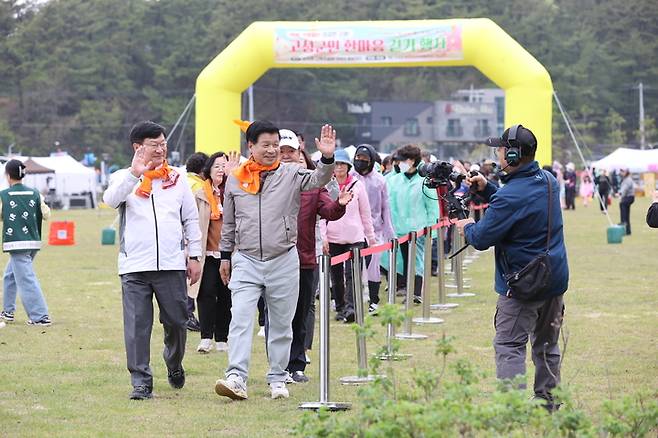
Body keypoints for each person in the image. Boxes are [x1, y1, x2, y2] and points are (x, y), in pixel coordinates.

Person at [214, 120, 336, 401]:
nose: (271, 150)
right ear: (251, 147)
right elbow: (229, 222)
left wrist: (327, 157)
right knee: (241, 318)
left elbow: (320, 178)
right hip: (245, 259)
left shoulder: (292, 173)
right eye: (265, 145)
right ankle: (236, 377)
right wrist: (225, 256)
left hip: (283, 259)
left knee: (281, 323)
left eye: (275, 145)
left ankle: (278, 377)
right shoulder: (236, 178)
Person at [456, 125, 569, 411]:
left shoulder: (510, 196)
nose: (498, 154)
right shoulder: (548, 181)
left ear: (514, 154)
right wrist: (489, 187)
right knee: (547, 346)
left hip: (522, 285)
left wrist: (468, 226)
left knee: (509, 346)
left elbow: (481, 238)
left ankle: (512, 408)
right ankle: (548, 402)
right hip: (553, 279)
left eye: (502, 149)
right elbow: (518, 201)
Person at [103, 121, 202, 400]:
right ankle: (141, 381)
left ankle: (173, 362)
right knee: (137, 326)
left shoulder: (177, 177)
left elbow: (190, 219)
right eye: (154, 144)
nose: (161, 149)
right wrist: (135, 175)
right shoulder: (124, 177)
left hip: (171, 264)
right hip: (135, 266)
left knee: (177, 321)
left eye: (163, 143)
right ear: (138, 148)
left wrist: (194, 256)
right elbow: (110, 200)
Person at [278, 132, 349, 382]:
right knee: (274, 315)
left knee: (300, 313)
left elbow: (329, 211)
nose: (287, 156)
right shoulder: (266, 182)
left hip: (304, 258)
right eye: (281, 151)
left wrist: (340, 203)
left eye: (291, 152)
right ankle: (277, 364)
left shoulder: (312, 186)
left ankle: (296, 364)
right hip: (273, 260)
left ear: (300, 154)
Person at [191, 151, 240, 354]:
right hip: (207, 254)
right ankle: (205, 337)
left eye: (224, 165)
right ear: (209, 170)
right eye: (217, 166)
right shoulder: (200, 194)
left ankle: (222, 338)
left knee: (226, 295)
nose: (221, 169)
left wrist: (233, 178)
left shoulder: (235, 192)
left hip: (230, 254)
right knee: (206, 294)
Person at [322, 148, 376, 323]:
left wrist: (371, 238)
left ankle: (351, 307)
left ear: (347, 166)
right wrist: (323, 237)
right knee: (336, 276)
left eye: (342, 164)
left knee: (352, 274)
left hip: (355, 237)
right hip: (333, 237)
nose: (339, 167)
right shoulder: (326, 186)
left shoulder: (358, 185)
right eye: (336, 164)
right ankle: (340, 307)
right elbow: (321, 215)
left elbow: (365, 214)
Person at [0, 159, 52, 326]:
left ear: (8, 176)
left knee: (26, 279)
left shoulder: (4, 195)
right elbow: (46, 214)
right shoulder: (35, 193)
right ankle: (8, 311)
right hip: (32, 242)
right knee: (10, 275)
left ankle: (40, 316)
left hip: (16, 243)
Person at [385, 144, 439, 301]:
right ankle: (404, 288)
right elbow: (389, 206)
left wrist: (431, 230)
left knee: (417, 261)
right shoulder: (393, 181)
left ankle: (415, 293)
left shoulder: (425, 181)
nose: (399, 164)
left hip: (419, 230)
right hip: (398, 229)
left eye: (402, 160)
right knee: (401, 261)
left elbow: (432, 207)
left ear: (411, 161)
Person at [352, 144, 395, 313]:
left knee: (373, 266)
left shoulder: (379, 180)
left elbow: (386, 207)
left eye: (364, 159)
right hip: (354, 229)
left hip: (375, 230)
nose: (360, 162)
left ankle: (373, 300)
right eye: (358, 158)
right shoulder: (350, 177)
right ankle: (350, 300)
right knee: (353, 266)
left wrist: (389, 231)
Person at [184, 151, 209, 332]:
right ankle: (187, 315)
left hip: (179, 239)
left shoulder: (181, 180)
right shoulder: (198, 186)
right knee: (192, 280)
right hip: (193, 239)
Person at [618, 169, 635, 235]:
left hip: (628, 197)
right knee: (626, 214)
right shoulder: (625, 179)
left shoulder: (628, 180)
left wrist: (620, 193)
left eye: (622, 171)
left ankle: (623, 226)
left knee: (622, 207)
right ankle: (628, 231)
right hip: (628, 198)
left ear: (626, 172)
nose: (621, 173)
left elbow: (624, 188)